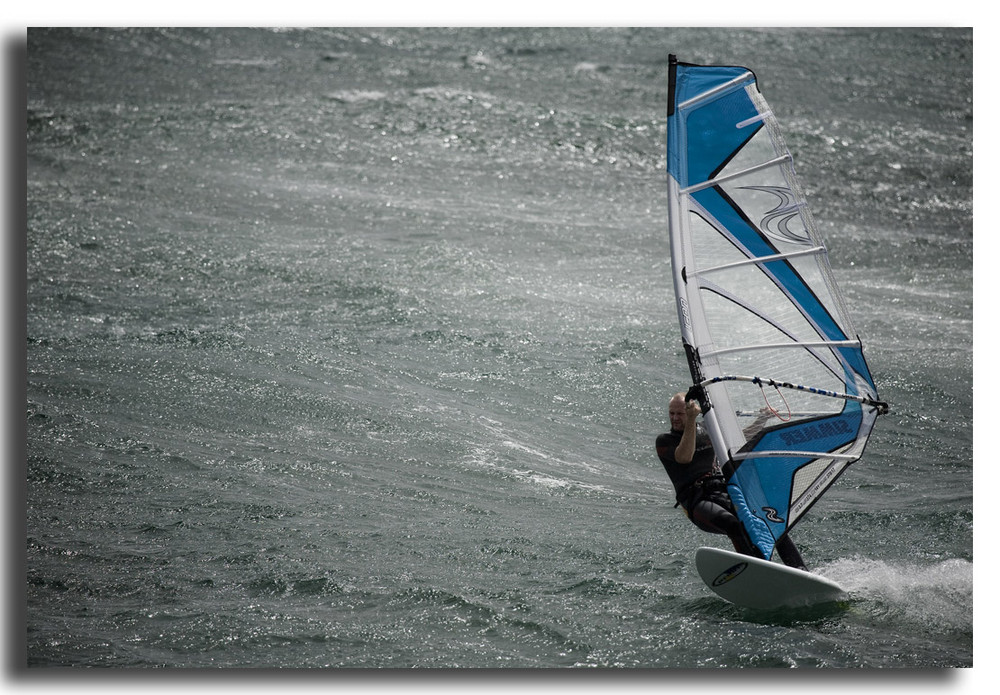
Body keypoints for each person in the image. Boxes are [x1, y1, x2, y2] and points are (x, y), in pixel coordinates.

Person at [656, 391, 807, 570]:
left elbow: (737, 440)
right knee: (732, 524)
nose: (674, 418)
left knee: (769, 519)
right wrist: (690, 421)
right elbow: (685, 456)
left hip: (722, 490)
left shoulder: (705, 429)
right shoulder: (664, 440)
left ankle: (800, 570)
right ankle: (758, 571)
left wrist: (762, 419)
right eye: (671, 413)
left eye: (679, 413)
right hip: (697, 501)